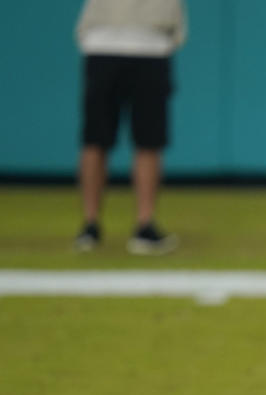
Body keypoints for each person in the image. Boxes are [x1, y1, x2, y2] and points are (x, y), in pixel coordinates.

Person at [73, 0, 186, 255]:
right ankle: (91, 224)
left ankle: (142, 225)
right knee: (97, 139)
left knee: (148, 140)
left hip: (150, 43)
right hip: (107, 40)